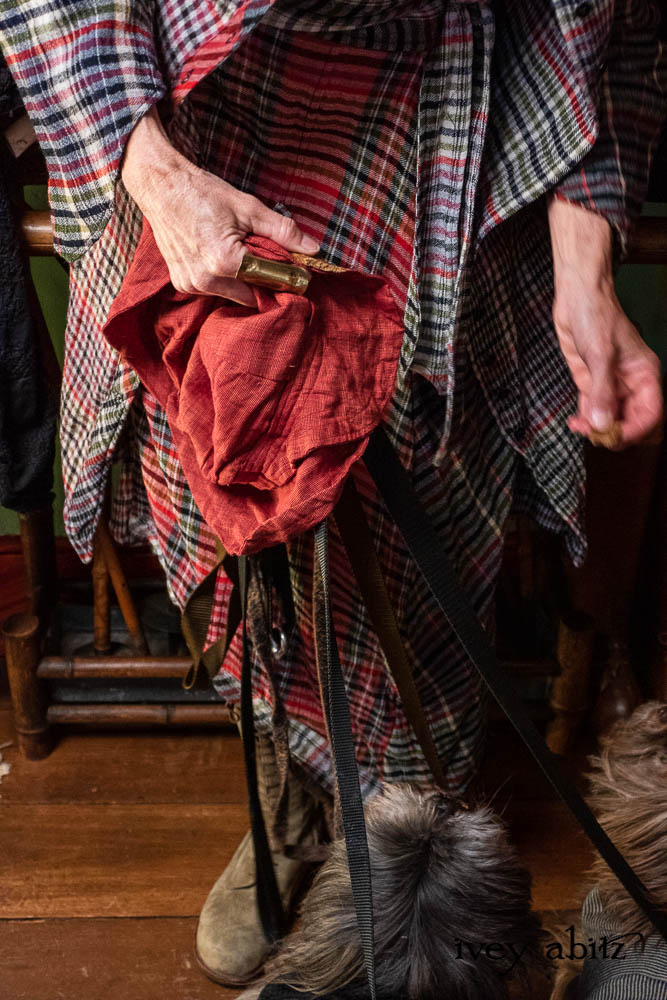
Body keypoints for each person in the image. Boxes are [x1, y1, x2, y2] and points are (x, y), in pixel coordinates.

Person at [1, 0, 665, 988]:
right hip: (202, 127)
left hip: (451, 132)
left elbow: (615, 31)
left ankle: (404, 846)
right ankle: (292, 806)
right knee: (224, 522)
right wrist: (159, 179)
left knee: (426, 546)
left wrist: (584, 268)